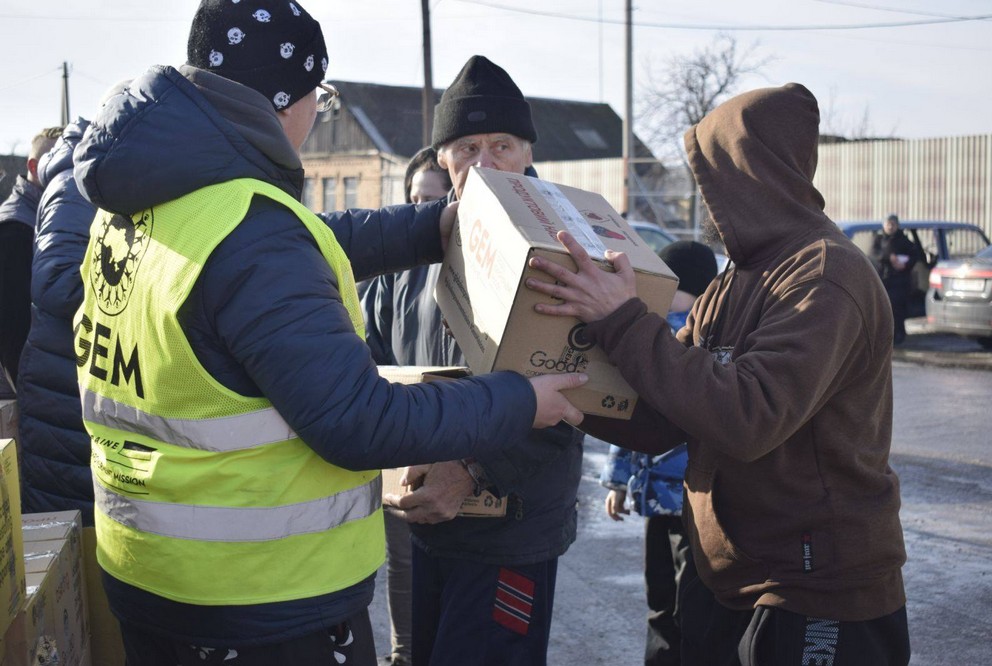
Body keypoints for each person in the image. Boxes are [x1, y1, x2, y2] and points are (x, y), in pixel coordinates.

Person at [70, 3, 585, 664]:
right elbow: (357, 419)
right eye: (322, 95)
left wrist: (428, 227)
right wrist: (520, 401)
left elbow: (298, 246)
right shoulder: (252, 231)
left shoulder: (146, 198)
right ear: (286, 102)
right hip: (258, 598)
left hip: (150, 571)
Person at [526, 83, 909, 665]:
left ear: (754, 173)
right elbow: (663, 413)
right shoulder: (735, 279)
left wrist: (623, 319)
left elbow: (748, 417)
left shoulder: (827, 276)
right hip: (728, 579)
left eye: (712, 176)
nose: (706, 198)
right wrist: (557, 392)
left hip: (817, 589)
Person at [364, 55, 583, 666]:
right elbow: (373, 363)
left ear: (528, 152)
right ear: (443, 159)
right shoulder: (411, 255)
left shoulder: (566, 253)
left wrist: (471, 470)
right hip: (425, 523)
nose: (484, 164)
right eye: (466, 148)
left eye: (501, 146)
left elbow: (579, 391)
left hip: (510, 531)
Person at [599, 240, 718, 666]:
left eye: (675, 289)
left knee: (683, 603)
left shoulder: (700, 338)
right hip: (661, 499)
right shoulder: (653, 329)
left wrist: (618, 480)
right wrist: (618, 481)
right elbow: (627, 410)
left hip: (691, 501)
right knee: (664, 598)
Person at [376, 146, 451, 666]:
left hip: (466, 446)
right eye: (413, 200)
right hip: (404, 443)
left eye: (432, 201)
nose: (420, 212)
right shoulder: (393, 268)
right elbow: (371, 346)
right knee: (403, 566)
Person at [16, 118, 99, 521]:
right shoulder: (73, 186)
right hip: (63, 382)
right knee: (68, 524)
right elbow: (56, 283)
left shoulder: (90, 181)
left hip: (73, 378)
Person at [0, 126, 62, 394]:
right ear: (34, 167)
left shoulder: (43, 219)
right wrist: (29, 394)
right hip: (19, 391)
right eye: (56, 163)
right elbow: (12, 330)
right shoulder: (15, 229)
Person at [875, 213, 920, 345]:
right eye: (888, 224)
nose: (890, 227)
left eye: (893, 224)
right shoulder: (878, 239)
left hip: (900, 281)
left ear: (897, 226)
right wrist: (888, 257)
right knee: (882, 309)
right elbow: (873, 254)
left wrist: (904, 264)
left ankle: (898, 335)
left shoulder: (903, 240)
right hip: (883, 279)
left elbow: (915, 255)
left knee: (898, 309)